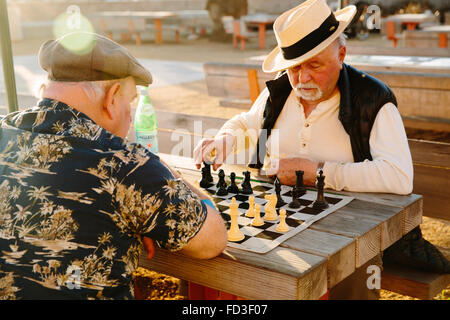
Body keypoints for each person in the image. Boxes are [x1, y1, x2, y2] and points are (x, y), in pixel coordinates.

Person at [194, 0, 449, 299]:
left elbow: (398, 176)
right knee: (222, 255)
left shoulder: (372, 99)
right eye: (294, 68)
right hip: (284, 222)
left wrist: (317, 172)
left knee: (350, 270)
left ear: (341, 54)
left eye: (314, 65)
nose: (302, 79)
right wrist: (225, 138)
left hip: (353, 233)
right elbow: (244, 122)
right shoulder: (280, 91)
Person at [0, 32, 227, 300]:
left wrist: (135, 209)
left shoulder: (5, 130)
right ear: (112, 98)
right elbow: (213, 239)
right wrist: (155, 181)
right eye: (130, 101)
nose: (130, 115)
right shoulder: (125, 164)